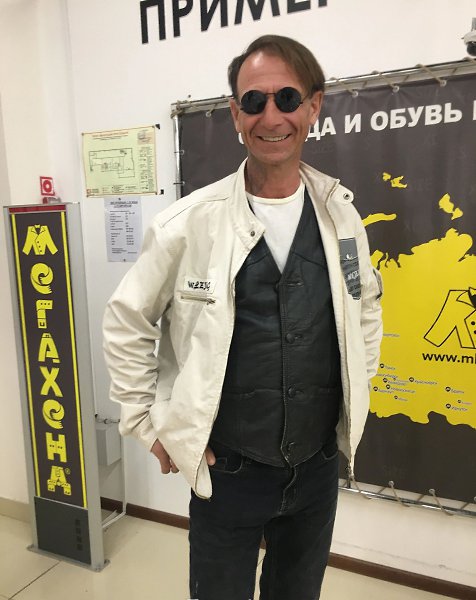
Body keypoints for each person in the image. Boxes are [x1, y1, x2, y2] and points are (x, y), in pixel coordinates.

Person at [103, 34, 383, 600]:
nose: (271, 117)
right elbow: (127, 321)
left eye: (287, 98)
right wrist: (149, 424)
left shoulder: (342, 218)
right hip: (226, 473)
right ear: (235, 114)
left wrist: (361, 381)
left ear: (314, 106)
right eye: (254, 101)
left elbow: (366, 308)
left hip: (316, 468)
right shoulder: (187, 224)